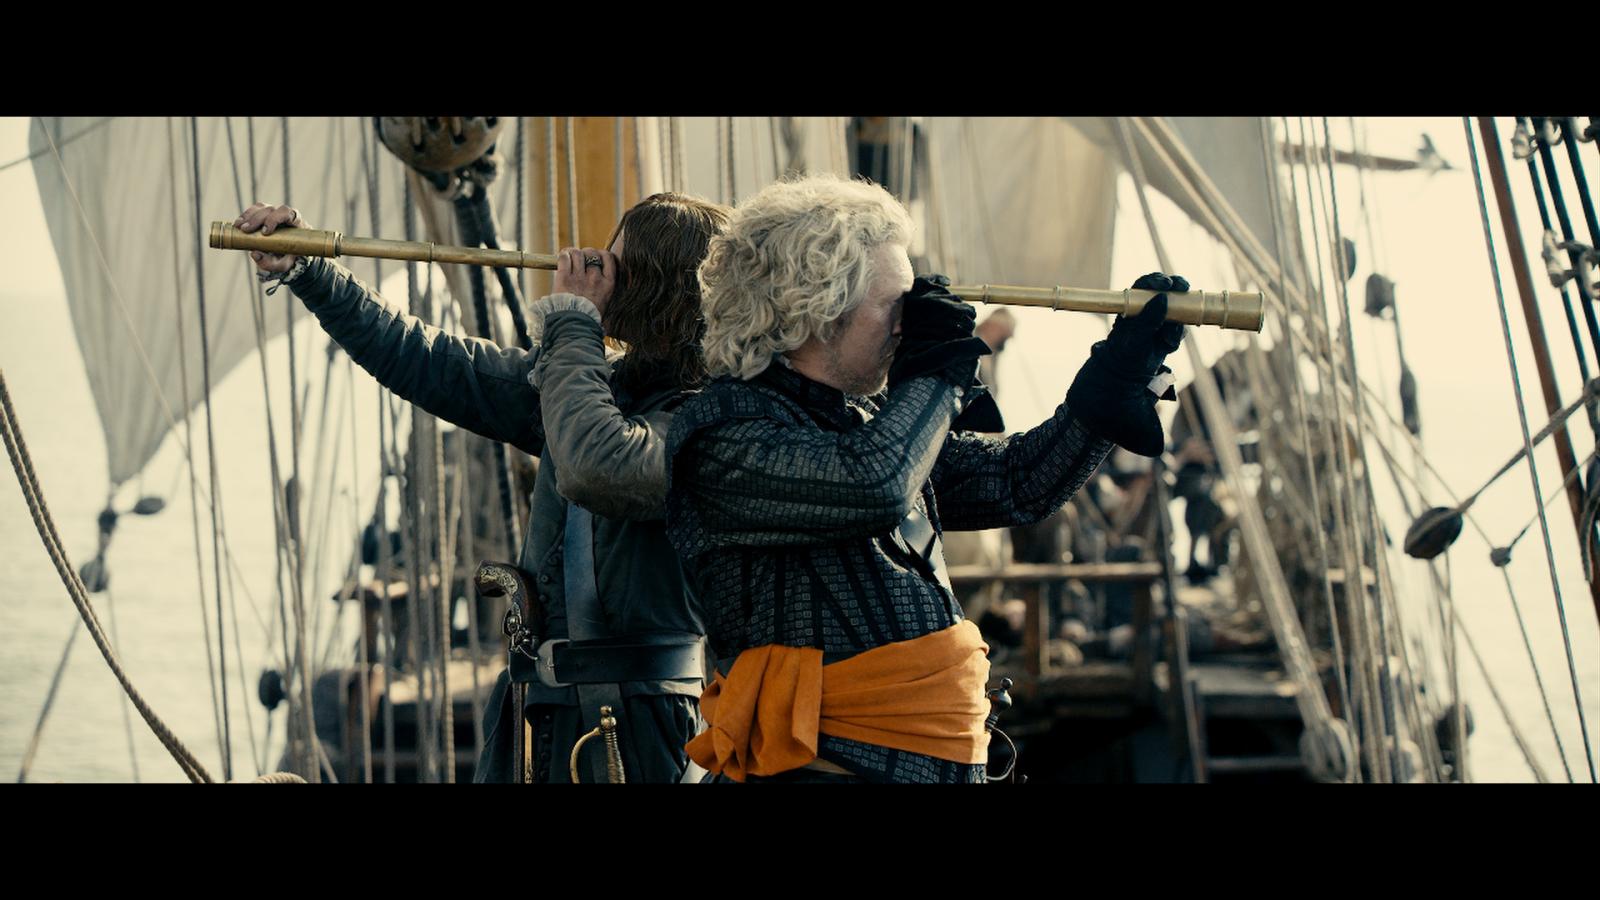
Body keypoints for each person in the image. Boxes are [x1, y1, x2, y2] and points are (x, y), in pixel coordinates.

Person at [663, 174, 1188, 783]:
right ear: (817, 309)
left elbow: (1016, 482)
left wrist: (1112, 381)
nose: (907, 326)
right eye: (896, 304)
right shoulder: (720, 433)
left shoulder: (864, 421)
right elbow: (873, 485)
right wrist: (939, 372)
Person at [235, 191, 730, 783]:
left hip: (635, 729)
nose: (598, 270)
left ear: (653, 286)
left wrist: (575, 320)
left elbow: (596, 463)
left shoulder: (707, 423)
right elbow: (432, 361)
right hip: (539, 713)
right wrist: (312, 271)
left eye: (615, 263)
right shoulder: (585, 390)